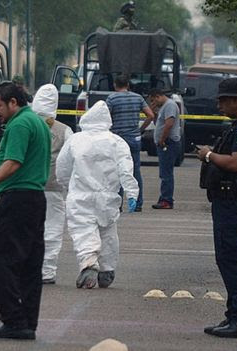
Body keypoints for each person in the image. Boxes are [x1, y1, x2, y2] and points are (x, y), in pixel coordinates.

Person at [0, 82, 51, 340]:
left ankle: (13, 319)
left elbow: (13, 162)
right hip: (35, 198)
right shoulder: (38, 122)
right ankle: (27, 322)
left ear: (13, 102)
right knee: (29, 263)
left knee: (2, 259)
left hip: (18, 200)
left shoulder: (19, 125)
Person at [56, 101, 138, 289]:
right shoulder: (117, 142)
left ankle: (89, 264)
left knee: (83, 231)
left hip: (80, 194)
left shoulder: (76, 140)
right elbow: (126, 169)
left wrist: (66, 184)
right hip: (107, 196)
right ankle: (107, 269)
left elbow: (62, 167)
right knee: (108, 231)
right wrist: (132, 193)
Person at [198, 78, 237, 338]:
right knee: (230, 259)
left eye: (223, 100)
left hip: (236, 203)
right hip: (229, 201)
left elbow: (235, 163)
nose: (219, 105)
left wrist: (208, 154)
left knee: (233, 259)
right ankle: (236, 315)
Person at [32, 84, 73, 284]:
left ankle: (29, 269)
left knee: (29, 229)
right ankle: (47, 271)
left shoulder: (24, 124)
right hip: (54, 187)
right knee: (53, 229)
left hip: (28, 186)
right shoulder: (65, 131)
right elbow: (70, 161)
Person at [106, 74, 155, 212]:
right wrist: (140, 130)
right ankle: (138, 203)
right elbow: (151, 115)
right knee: (135, 171)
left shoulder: (112, 98)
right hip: (134, 139)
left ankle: (118, 204)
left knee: (117, 171)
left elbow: (106, 116)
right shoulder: (138, 97)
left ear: (115, 85)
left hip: (118, 140)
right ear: (128, 85)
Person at [148, 89, 181, 209]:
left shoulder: (170, 105)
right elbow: (159, 123)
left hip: (168, 142)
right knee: (164, 173)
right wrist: (154, 112)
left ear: (158, 96)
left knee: (166, 173)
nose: (153, 103)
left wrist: (162, 140)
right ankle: (164, 198)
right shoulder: (163, 107)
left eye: (153, 100)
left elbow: (169, 124)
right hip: (164, 142)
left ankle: (167, 200)